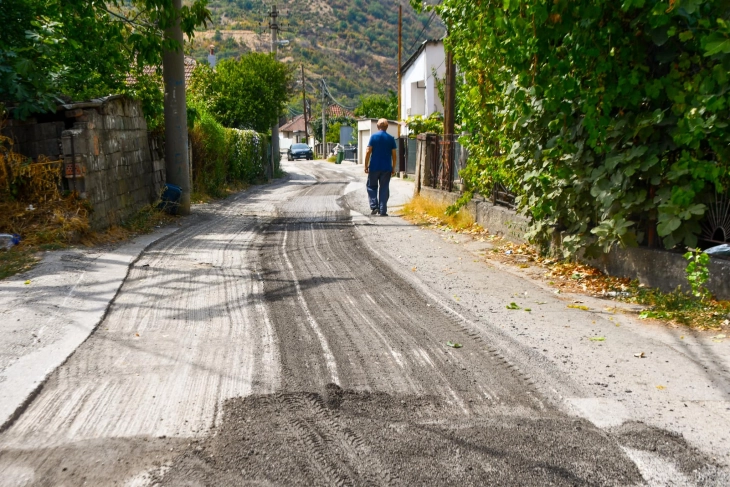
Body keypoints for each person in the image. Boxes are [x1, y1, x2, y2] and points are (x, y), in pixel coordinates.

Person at [364, 118, 397, 216]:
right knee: (384, 188)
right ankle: (383, 210)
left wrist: (366, 165)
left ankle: (374, 206)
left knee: (371, 186)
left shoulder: (373, 137)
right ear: (387, 127)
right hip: (386, 168)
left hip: (374, 167)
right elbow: (394, 155)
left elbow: (368, 151)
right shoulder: (391, 138)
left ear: (377, 126)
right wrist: (393, 167)